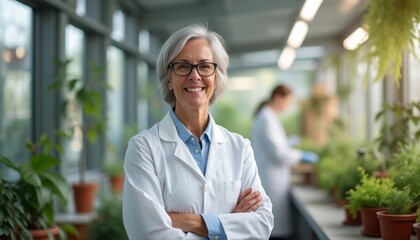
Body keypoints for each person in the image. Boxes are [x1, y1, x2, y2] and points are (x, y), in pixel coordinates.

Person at [122, 23, 274, 240]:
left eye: (204, 66)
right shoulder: (143, 148)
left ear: (216, 77)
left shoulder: (239, 148)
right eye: (183, 66)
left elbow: (262, 224)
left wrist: (186, 221)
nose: (195, 76)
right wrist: (227, 224)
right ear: (169, 80)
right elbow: (149, 234)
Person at [251, 84, 319, 240]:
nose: (288, 107)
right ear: (277, 98)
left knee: (276, 228)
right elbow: (278, 154)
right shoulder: (266, 118)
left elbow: (276, 147)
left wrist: (288, 144)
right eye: (287, 102)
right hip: (271, 181)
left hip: (275, 178)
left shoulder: (268, 117)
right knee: (273, 230)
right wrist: (301, 155)